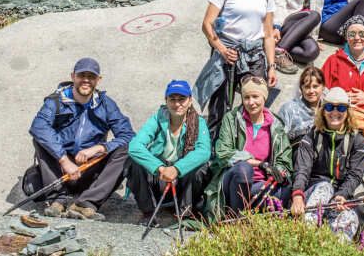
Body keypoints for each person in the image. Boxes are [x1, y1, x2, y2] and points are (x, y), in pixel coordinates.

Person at [29, 57, 134, 220]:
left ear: (98, 80)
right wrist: (64, 160)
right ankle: (57, 199)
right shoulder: (56, 101)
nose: (86, 80)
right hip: (60, 170)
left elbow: (128, 135)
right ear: (73, 76)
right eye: (81, 75)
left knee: (128, 149)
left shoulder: (106, 104)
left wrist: (100, 148)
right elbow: (38, 127)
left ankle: (85, 204)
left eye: (91, 77)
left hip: (89, 168)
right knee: (40, 139)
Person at [195, 0, 278, 141]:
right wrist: (222, 50)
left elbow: (267, 34)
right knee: (220, 106)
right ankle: (215, 149)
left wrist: (272, 66)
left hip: (254, 54)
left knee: (256, 102)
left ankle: (250, 144)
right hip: (228, 52)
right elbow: (207, 24)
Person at [204, 76, 293, 218]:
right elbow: (223, 153)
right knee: (244, 170)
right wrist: (260, 163)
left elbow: (284, 159)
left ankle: (255, 214)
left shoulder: (276, 125)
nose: (251, 102)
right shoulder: (231, 118)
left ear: (264, 98)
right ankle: (237, 217)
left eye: (255, 96)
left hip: (260, 185)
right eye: (246, 97)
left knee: (287, 185)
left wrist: (279, 171)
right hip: (233, 181)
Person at [290, 87, 364, 240]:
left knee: (350, 218)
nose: (335, 112)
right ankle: (305, 237)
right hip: (313, 193)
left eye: (341, 108)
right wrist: (297, 195)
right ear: (323, 110)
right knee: (325, 187)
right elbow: (302, 169)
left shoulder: (357, 140)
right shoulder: (312, 136)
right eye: (329, 107)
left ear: (348, 112)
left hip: (340, 198)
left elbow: (355, 175)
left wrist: (341, 195)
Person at [127, 80, 211, 222]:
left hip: (183, 182)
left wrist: (177, 169)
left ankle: (185, 212)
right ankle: (148, 212)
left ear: (190, 101)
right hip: (160, 177)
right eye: (172, 99)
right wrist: (159, 168)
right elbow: (135, 146)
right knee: (132, 161)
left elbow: (204, 151)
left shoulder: (199, 122)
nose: (177, 104)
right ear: (166, 101)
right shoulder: (157, 119)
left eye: (182, 99)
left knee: (201, 167)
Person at [322, 15, 364, 156]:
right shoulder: (333, 61)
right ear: (346, 37)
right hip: (338, 125)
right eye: (352, 34)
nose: (357, 38)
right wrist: (342, 106)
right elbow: (323, 91)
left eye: (362, 34)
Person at [278, 65, 325, 147]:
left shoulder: (329, 109)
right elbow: (279, 139)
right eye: (307, 87)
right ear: (301, 88)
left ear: (323, 87)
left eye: (315, 86)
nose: (311, 91)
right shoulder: (289, 109)